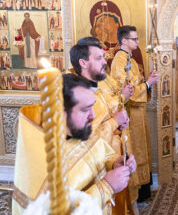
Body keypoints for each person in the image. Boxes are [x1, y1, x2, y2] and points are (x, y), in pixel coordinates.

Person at [13, 74, 137, 214]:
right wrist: (106, 187)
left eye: (92, 107)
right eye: (85, 109)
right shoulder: (41, 161)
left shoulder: (79, 130)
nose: (93, 116)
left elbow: (98, 156)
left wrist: (115, 164)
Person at [69, 37, 136, 214]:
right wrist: (115, 122)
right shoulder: (74, 99)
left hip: (107, 168)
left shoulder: (98, 89)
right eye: (99, 58)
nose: (105, 61)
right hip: (88, 187)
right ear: (83, 62)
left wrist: (115, 162)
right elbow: (84, 145)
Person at [111, 25, 159, 202]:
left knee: (141, 146)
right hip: (130, 114)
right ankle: (136, 192)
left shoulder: (128, 58)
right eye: (135, 39)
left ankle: (144, 188)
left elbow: (134, 83)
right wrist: (147, 84)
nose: (138, 42)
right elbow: (123, 92)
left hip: (138, 113)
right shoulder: (120, 61)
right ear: (124, 40)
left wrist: (147, 81)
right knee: (135, 148)